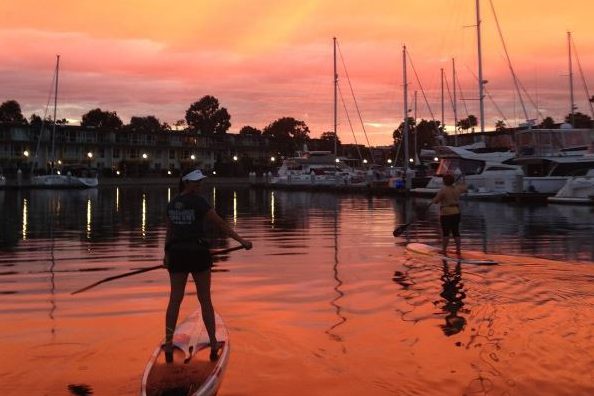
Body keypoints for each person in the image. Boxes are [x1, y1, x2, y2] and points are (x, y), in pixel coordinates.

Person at [164, 168, 252, 363]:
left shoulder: (172, 203)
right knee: (205, 299)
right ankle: (213, 343)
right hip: (197, 254)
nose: (199, 184)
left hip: (176, 255)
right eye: (196, 182)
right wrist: (242, 241)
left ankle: (169, 344)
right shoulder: (199, 202)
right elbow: (221, 224)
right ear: (186, 182)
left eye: (200, 181)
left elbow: (169, 233)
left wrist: (166, 255)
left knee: (174, 300)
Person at [431, 173, 467, 256]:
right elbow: (465, 188)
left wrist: (433, 199)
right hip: (456, 212)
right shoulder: (457, 189)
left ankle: (444, 250)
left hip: (446, 213)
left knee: (446, 232)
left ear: (444, 181)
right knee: (456, 231)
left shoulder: (443, 190)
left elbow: (436, 201)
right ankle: (458, 250)